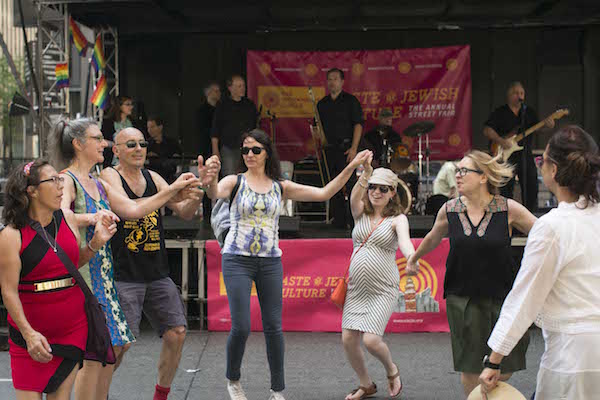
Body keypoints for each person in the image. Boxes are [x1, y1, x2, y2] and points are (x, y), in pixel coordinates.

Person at [203, 129, 371, 400]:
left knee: (273, 327)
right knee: (241, 326)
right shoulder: (234, 182)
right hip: (237, 259)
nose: (249, 155)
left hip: (270, 261)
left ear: (267, 152)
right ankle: (233, 380)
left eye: (256, 150)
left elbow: (324, 192)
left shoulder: (280, 185)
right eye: (245, 150)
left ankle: (277, 389)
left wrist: (352, 167)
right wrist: (208, 180)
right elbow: (214, 192)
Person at [47, 118, 200, 400]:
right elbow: (60, 215)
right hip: (87, 275)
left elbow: (132, 209)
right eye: (97, 139)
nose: (102, 143)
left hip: (104, 275)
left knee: (108, 351)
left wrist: (174, 191)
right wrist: (90, 217)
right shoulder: (66, 179)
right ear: (79, 145)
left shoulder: (96, 183)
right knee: (95, 356)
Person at [479, 126, 600, 400]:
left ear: (553, 170)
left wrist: (494, 359)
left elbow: (525, 297)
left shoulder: (552, 226)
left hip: (572, 358)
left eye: (540, 161)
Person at [406, 150, 537, 398]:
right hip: (462, 297)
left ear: (483, 177)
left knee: (506, 360)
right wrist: (415, 257)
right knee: (470, 365)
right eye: (457, 170)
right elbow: (434, 236)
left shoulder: (508, 208)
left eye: (464, 171)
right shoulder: (449, 209)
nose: (458, 175)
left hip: (503, 296)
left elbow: (544, 233)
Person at [99, 127, 209, 400]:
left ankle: (161, 395)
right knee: (119, 345)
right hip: (123, 272)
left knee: (177, 331)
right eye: (131, 144)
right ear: (116, 151)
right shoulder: (108, 176)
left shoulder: (153, 177)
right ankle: (95, 392)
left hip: (156, 272)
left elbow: (183, 212)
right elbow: (131, 209)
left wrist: (196, 193)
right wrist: (172, 189)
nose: (139, 149)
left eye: (143, 144)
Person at [0, 160, 117, 399]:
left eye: (60, 179)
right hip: (29, 335)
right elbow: (8, 291)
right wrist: (29, 334)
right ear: (31, 190)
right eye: (52, 180)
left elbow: (70, 267)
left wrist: (95, 244)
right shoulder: (11, 235)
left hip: (72, 328)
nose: (60, 186)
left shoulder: (67, 218)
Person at [342, 163, 414, 400]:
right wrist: (364, 173)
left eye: (383, 189)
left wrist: (412, 258)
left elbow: (405, 243)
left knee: (372, 340)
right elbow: (354, 195)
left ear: (392, 192)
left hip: (383, 289)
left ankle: (392, 370)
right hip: (356, 289)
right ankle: (366, 385)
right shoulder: (359, 211)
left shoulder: (398, 219)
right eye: (373, 187)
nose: (376, 192)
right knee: (348, 339)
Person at [483, 82, 555, 211]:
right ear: (509, 95)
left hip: (525, 154)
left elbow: (537, 129)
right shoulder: (500, 112)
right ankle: (507, 215)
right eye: (516, 93)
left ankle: (529, 215)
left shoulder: (528, 112)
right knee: (506, 188)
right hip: (506, 156)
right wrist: (501, 141)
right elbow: (487, 130)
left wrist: (546, 126)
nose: (519, 96)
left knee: (531, 185)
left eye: (522, 93)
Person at [314, 68, 364, 228]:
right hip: (329, 150)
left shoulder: (351, 101)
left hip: (347, 148)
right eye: (329, 79)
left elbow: (358, 125)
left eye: (335, 79)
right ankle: (339, 222)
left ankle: (354, 221)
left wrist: (354, 148)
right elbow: (319, 130)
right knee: (332, 185)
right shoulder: (322, 104)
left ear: (342, 82)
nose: (332, 82)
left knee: (350, 186)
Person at [211, 75, 258, 176]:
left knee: (246, 176)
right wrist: (215, 151)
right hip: (229, 147)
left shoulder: (249, 105)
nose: (242, 88)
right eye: (239, 86)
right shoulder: (222, 105)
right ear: (230, 88)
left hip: (246, 147)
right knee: (229, 176)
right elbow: (215, 129)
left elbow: (254, 127)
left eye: (243, 86)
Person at [101, 95, 135, 167]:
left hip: (130, 159)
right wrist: (116, 145)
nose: (131, 107)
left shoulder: (133, 122)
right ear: (119, 106)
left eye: (131, 104)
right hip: (113, 160)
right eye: (128, 104)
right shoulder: (108, 122)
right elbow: (103, 140)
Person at [146, 116, 182, 183]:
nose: (149, 130)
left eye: (152, 127)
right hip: (152, 179)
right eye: (148, 128)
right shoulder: (146, 144)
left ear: (160, 127)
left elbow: (178, 158)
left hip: (169, 178)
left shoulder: (172, 143)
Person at [198, 81, 221, 156]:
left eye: (219, 91)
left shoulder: (222, 109)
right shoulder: (202, 111)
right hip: (206, 147)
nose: (219, 93)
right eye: (216, 91)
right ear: (208, 93)